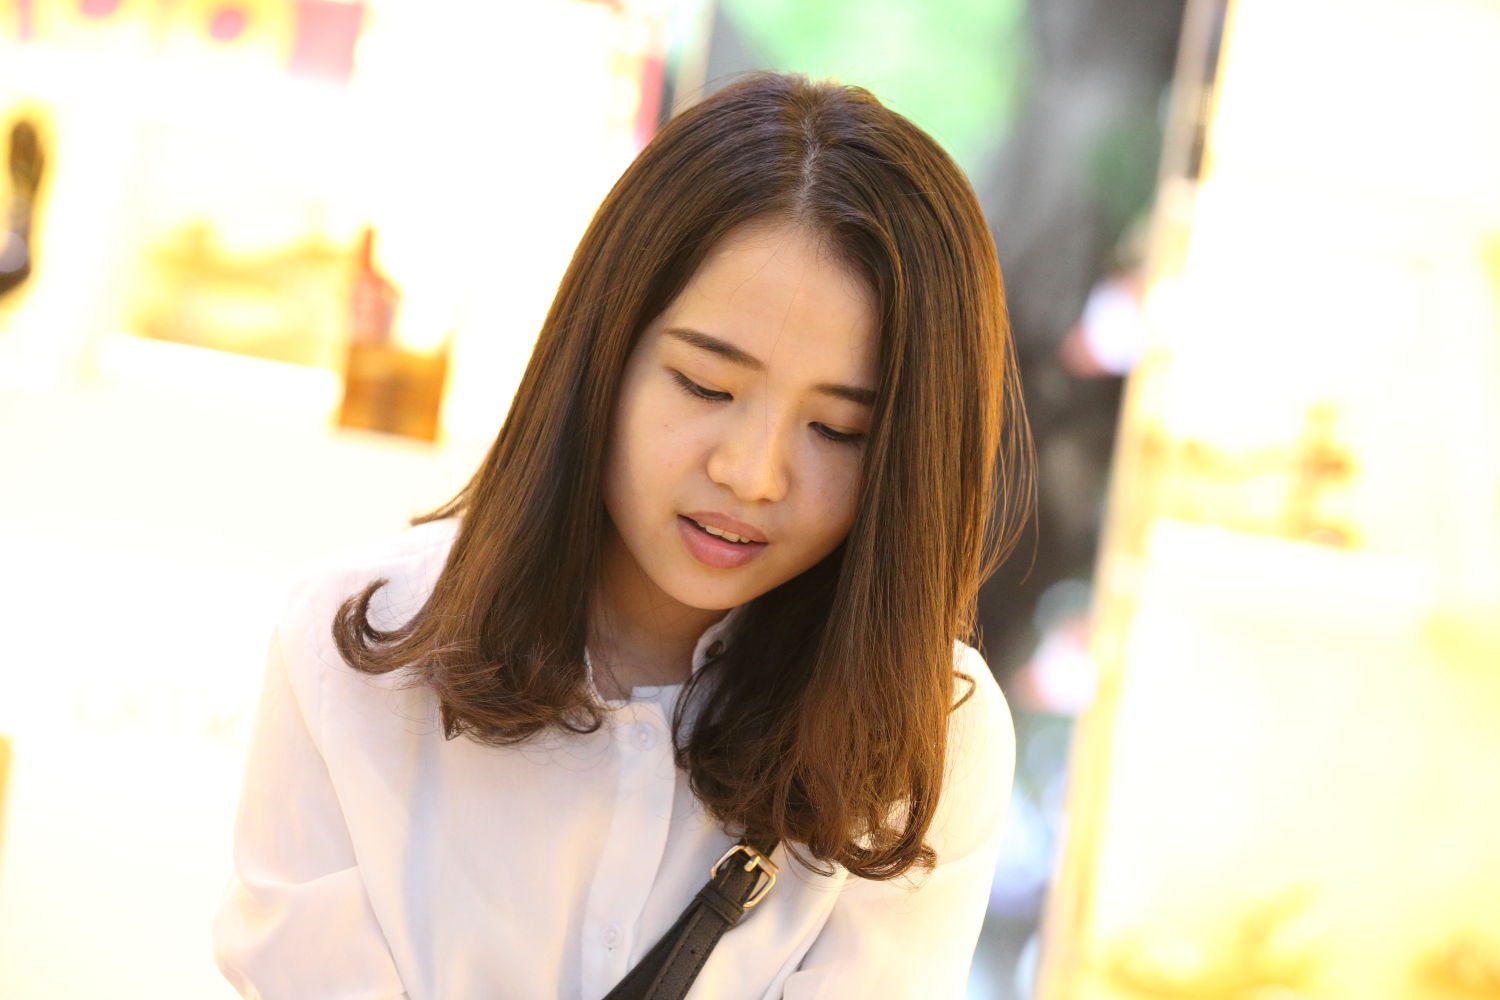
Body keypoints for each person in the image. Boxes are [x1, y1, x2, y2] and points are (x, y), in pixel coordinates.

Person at [212, 72, 1034, 999]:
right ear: (603, 349)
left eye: (840, 431)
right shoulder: (353, 649)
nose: (753, 474)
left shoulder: (928, 734)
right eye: (707, 386)